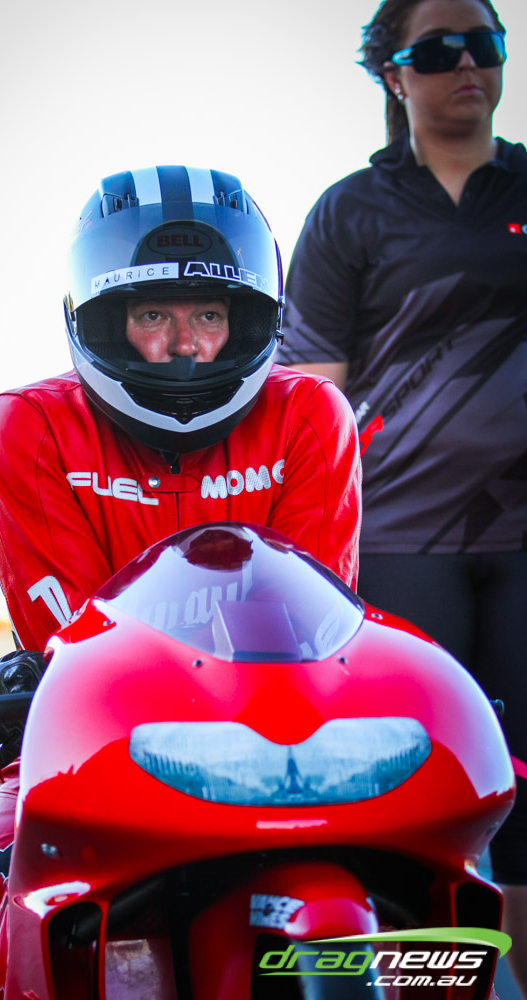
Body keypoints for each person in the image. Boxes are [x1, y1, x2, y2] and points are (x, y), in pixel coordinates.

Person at [0, 166, 361, 998]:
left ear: (249, 318)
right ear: (105, 319)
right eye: (153, 316)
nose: (183, 344)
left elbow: (314, 631)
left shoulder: (309, 414)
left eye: (208, 315)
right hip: (84, 744)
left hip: (281, 740)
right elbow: (74, 650)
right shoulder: (28, 424)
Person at [276, 0, 527, 993]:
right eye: (437, 50)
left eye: (485, 44)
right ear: (393, 74)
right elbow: (310, 401)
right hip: (397, 548)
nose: (466, 64)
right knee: (415, 810)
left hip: (525, 548)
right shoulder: (349, 212)